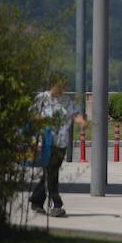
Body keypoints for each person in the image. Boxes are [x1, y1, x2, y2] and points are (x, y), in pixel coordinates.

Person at [30, 77, 85, 217]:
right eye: (61, 86)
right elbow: (31, 116)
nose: (63, 89)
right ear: (52, 84)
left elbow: (75, 114)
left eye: (65, 86)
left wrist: (82, 121)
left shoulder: (66, 100)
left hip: (61, 143)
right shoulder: (42, 98)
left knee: (51, 172)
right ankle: (56, 204)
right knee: (51, 173)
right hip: (46, 142)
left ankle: (36, 201)